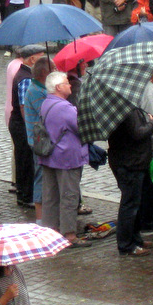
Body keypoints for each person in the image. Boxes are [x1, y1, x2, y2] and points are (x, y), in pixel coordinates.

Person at [39, 71, 89, 247]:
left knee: (51, 196)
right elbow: (82, 127)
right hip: (67, 158)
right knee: (69, 196)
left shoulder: (47, 103)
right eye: (67, 83)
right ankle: (69, 235)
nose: (70, 85)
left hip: (50, 157)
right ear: (59, 87)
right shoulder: (65, 108)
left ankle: (50, 231)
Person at [109, 95, 153, 256]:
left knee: (136, 203)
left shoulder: (124, 107)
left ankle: (135, 238)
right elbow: (137, 133)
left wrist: (151, 125)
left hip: (132, 161)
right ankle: (126, 245)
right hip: (130, 164)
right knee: (130, 205)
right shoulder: (125, 110)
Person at [9, 45, 44, 208]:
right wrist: (30, 126)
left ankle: (23, 193)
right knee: (25, 160)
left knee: (23, 159)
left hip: (19, 123)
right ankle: (25, 195)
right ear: (32, 59)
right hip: (21, 125)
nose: (43, 59)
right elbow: (24, 106)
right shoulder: (26, 78)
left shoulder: (24, 74)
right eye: (40, 56)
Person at [22, 58, 55, 225]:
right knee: (41, 178)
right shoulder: (36, 91)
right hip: (40, 142)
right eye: (53, 70)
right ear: (45, 73)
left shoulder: (41, 89)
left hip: (42, 141)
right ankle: (40, 219)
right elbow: (48, 113)